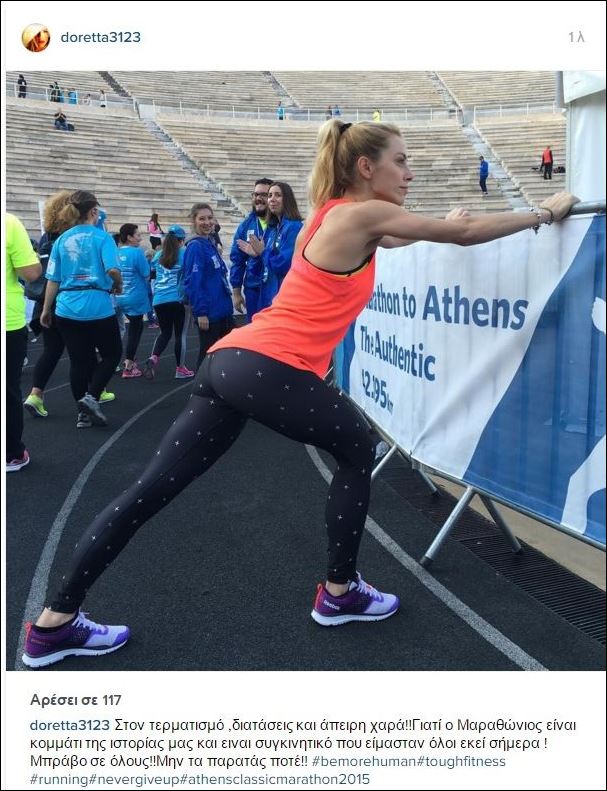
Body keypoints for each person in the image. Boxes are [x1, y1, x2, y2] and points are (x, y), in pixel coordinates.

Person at [21, 119, 578, 667]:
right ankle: (341, 592)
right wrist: (544, 213)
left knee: (150, 489)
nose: (409, 173)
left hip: (229, 362)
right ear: (366, 167)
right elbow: (460, 234)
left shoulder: (333, 214)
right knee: (357, 448)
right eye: (401, 161)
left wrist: (447, 223)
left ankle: (54, 623)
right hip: (269, 364)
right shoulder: (365, 214)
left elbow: (410, 234)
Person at [23, 192, 116, 420]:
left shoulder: (56, 239)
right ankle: (93, 395)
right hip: (93, 303)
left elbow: (52, 278)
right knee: (109, 353)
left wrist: (46, 309)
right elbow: (112, 269)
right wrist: (118, 284)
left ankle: (77, 411)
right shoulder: (99, 237)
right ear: (92, 211)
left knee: (72, 358)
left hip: (62, 305)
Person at [6, 214, 41, 472]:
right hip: (6, 321)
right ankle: (12, 454)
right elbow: (30, 273)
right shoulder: (8, 223)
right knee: (7, 390)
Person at [184, 203, 234, 371]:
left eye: (210, 218)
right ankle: (200, 386)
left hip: (223, 310)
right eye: (202, 219)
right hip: (210, 313)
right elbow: (194, 282)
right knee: (207, 356)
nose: (207, 222)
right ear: (193, 221)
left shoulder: (209, 243)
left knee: (229, 353)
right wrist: (201, 312)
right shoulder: (195, 247)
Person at [144, 225, 194, 380]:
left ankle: (153, 357)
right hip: (178, 299)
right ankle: (180, 369)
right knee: (180, 335)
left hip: (159, 299)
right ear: (181, 240)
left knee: (164, 332)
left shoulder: (159, 254)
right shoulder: (185, 253)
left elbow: (152, 272)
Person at [249, 181, 303, 311]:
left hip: (283, 299)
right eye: (270, 195)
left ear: (287, 200)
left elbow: (283, 264)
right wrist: (256, 256)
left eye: (278, 195)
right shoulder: (272, 229)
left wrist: (263, 252)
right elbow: (262, 267)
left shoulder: (294, 227)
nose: (272, 199)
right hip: (267, 296)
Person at [229, 178, 273, 322]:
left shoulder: (282, 224)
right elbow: (237, 260)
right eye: (256, 194)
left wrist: (262, 252)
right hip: (253, 288)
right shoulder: (246, 226)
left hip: (276, 287)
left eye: (264, 195)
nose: (258, 198)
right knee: (254, 328)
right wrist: (236, 292)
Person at [115, 224, 151, 378]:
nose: (140, 238)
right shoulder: (137, 252)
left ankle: (112, 361)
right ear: (129, 237)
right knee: (135, 331)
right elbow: (146, 273)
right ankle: (129, 365)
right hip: (134, 296)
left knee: (117, 330)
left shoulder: (115, 252)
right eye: (137, 235)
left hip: (117, 296)